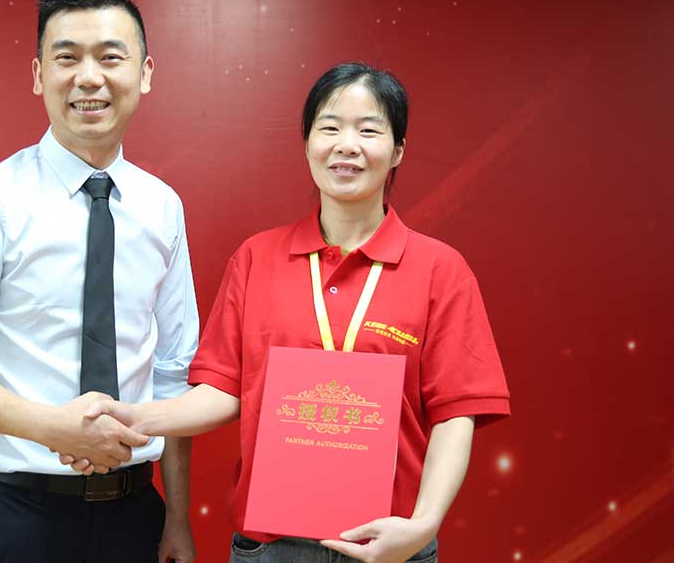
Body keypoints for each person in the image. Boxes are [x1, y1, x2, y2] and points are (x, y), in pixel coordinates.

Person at [64, 62, 511, 563]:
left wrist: (423, 524)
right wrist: (135, 415)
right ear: (307, 143)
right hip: (270, 549)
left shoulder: (440, 270)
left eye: (369, 130)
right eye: (330, 128)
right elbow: (223, 391)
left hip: (391, 546)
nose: (347, 145)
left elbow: (456, 413)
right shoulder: (257, 258)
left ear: (398, 150)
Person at [0, 0, 198, 563]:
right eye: (67, 58)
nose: (89, 78)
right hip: (15, 516)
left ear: (144, 73)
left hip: (134, 517)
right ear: (40, 75)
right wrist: (51, 427)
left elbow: (173, 372)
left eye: (110, 57)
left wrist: (176, 516)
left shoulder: (162, 207)